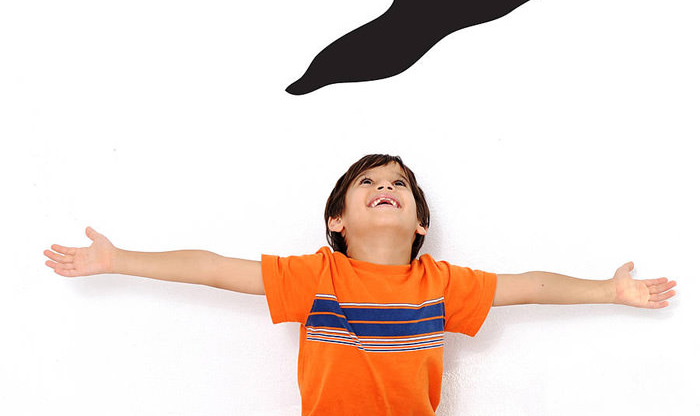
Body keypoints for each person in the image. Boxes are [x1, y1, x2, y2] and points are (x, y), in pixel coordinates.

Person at [44, 154, 676, 415]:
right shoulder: (315, 276)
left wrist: (608, 290)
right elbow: (211, 267)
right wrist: (119, 258)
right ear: (337, 220)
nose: (385, 188)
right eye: (368, 183)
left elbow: (532, 286)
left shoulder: (440, 283)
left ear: (420, 222)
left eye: (398, 184)